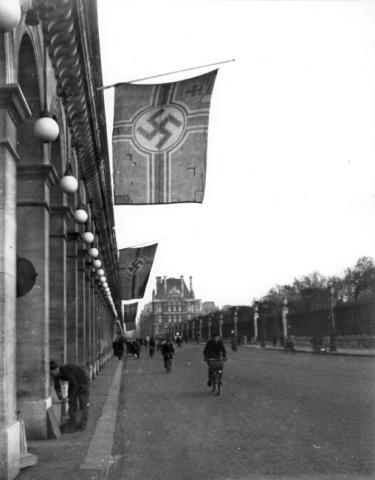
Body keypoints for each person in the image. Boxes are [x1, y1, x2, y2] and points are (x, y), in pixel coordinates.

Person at [50, 360, 90, 432]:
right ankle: (72, 422)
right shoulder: (56, 374)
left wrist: (70, 397)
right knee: (72, 403)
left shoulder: (67, 371)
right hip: (74, 382)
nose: (52, 376)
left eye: (52, 373)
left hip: (83, 379)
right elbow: (57, 386)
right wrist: (61, 397)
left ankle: (82, 424)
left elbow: (75, 385)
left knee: (82, 401)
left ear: (56, 369)